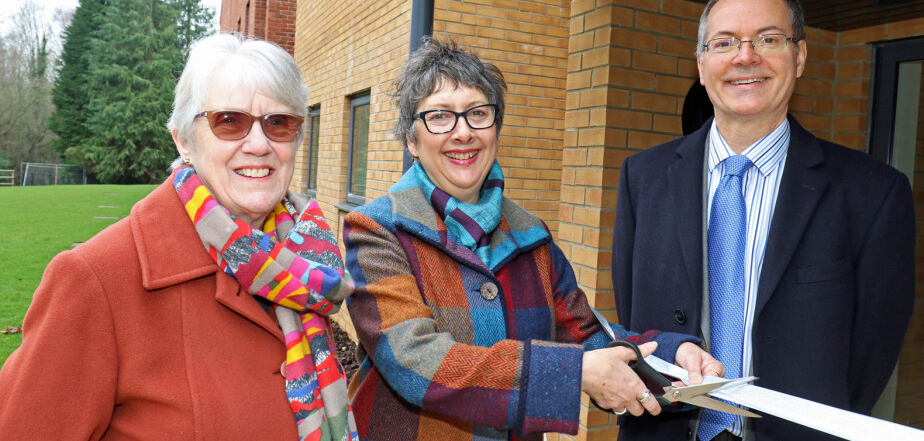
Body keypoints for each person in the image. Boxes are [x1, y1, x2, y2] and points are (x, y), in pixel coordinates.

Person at [342, 37, 723, 441]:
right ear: (411, 140)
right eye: (439, 117)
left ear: (496, 128)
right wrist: (572, 374)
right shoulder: (377, 230)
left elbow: (587, 335)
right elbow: (415, 361)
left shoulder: (531, 235)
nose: (463, 132)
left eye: (478, 114)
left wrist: (672, 356)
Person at [0, 33, 357, 440]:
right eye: (230, 121)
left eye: (279, 123)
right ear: (184, 140)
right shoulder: (95, 280)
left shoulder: (308, 264)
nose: (258, 144)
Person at [612, 0, 915, 441]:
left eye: (769, 39)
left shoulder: (873, 193)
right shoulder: (642, 178)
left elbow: (871, 354)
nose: (745, 56)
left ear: (800, 57)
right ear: (701, 62)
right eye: (724, 42)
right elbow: (638, 326)